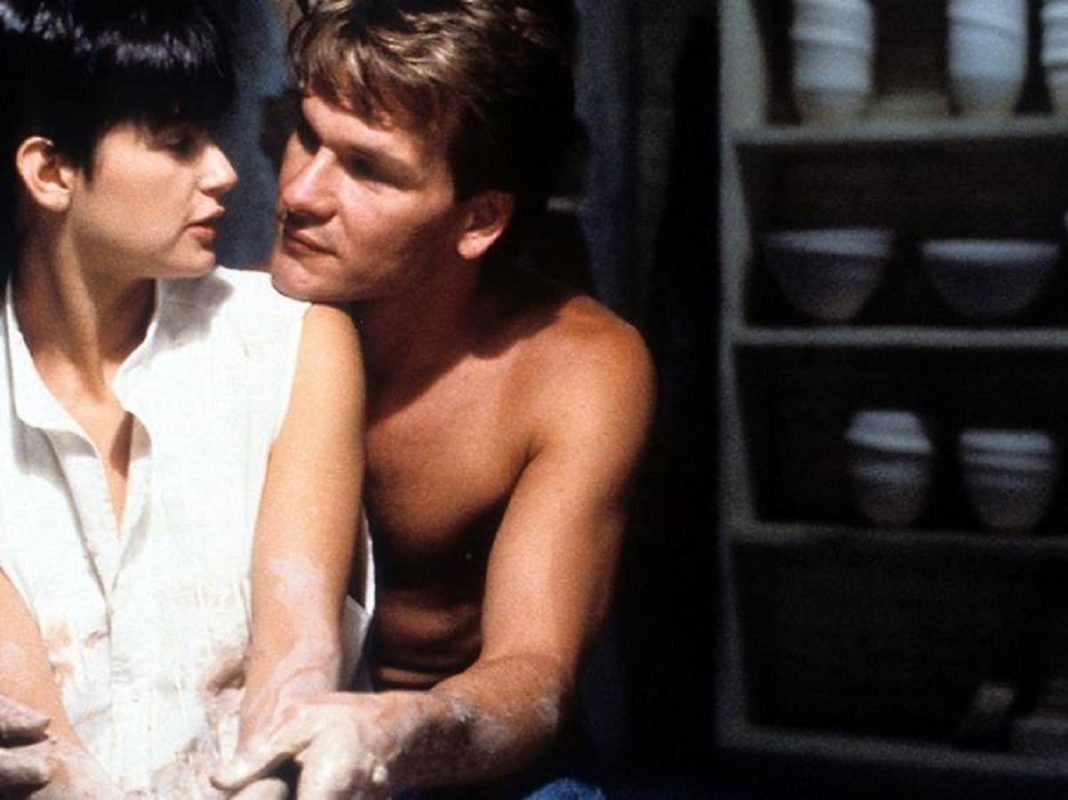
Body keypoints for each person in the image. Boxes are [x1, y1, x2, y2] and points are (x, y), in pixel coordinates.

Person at [213, 0, 655, 797]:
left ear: (478, 219)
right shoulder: (227, 322)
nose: (300, 192)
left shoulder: (573, 367)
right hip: (256, 737)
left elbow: (535, 671)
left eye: (367, 168)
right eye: (306, 134)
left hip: (462, 754)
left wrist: (392, 732)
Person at [0, 0, 369, 796]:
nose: (224, 171)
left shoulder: (290, 344)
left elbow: (292, 680)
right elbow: (49, 763)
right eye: (177, 143)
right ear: (50, 172)